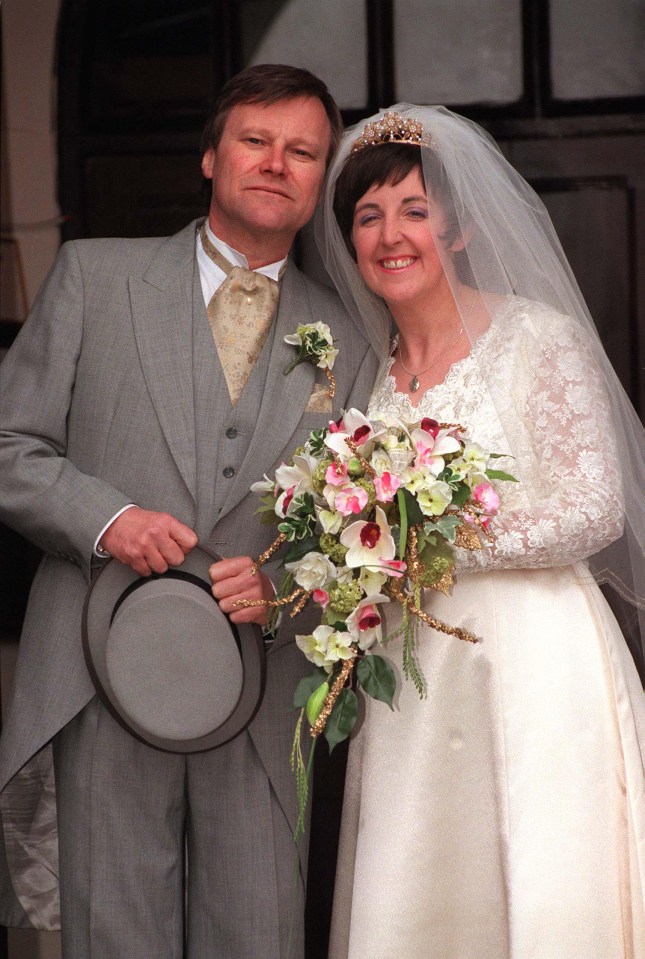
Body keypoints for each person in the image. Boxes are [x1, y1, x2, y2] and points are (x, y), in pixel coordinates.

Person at [0, 64, 379, 958]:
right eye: (255, 140)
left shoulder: (356, 332)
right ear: (210, 155)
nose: (275, 164)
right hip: (102, 675)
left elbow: (363, 526)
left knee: (258, 934)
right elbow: (9, 443)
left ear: (320, 180)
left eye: (302, 152)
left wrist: (286, 584)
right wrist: (104, 518)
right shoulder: (94, 277)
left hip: (264, 694)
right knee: (114, 936)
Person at [314, 105, 645, 958]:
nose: (390, 234)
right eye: (367, 215)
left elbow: (594, 508)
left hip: (532, 662)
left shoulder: (538, 340)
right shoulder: (364, 374)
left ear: (457, 229)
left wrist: (429, 538)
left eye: (413, 211)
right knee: (419, 883)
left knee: (534, 880)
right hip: (413, 679)